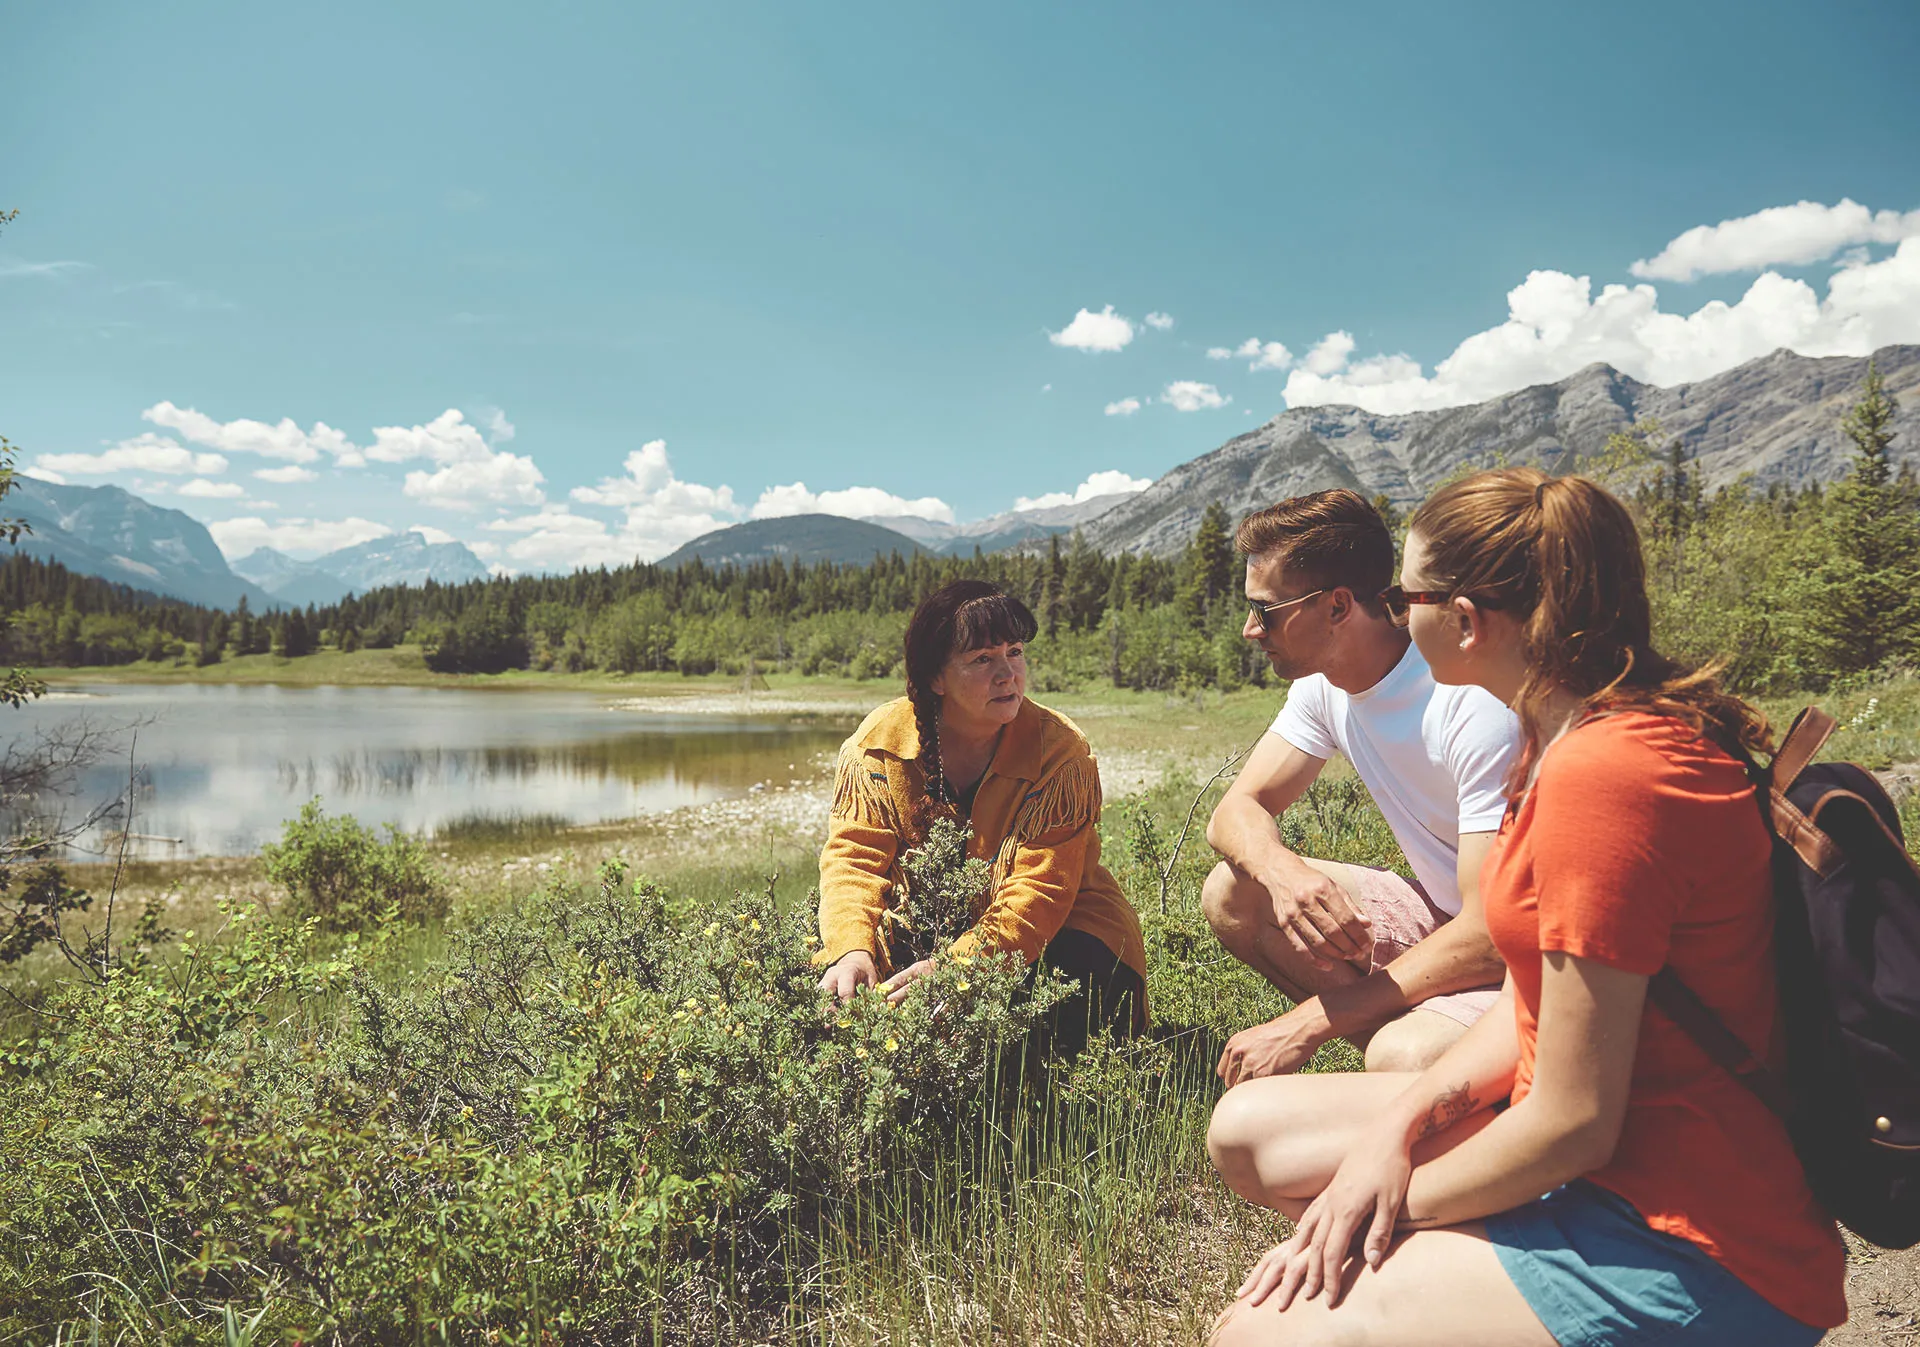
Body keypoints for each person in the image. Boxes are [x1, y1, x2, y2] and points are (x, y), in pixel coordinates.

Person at [1204, 468, 1846, 1346]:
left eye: (1407, 593)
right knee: (1253, 1132)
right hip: (1605, 1154)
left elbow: (1576, 1121)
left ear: (1465, 621)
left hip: (1690, 1236)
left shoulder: (1603, 779)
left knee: (1259, 1333)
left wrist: (1379, 1199)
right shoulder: (1565, 735)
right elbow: (1535, 1001)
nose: (1396, 612)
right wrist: (1402, 1119)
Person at [1205, 490, 1519, 1082]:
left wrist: (1315, 1019)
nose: (1250, 630)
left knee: (1403, 1055)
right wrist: (1283, 873)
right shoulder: (1323, 686)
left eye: (1266, 610)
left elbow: (1496, 930)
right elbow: (1234, 812)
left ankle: (1439, 1072)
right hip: (1456, 919)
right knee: (1234, 890)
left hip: (1524, 946)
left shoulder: (1469, 703)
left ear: (1338, 606)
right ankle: (1430, 1064)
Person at [816, 579, 1147, 1056]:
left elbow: (1040, 895)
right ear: (936, 679)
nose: (1008, 673)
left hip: (1065, 934)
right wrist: (852, 948)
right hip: (934, 924)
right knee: (833, 986)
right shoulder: (880, 741)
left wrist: (959, 970)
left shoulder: (1060, 753)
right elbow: (853, 862)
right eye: (982, 659)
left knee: (1046, 1031)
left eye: (1015, 652)